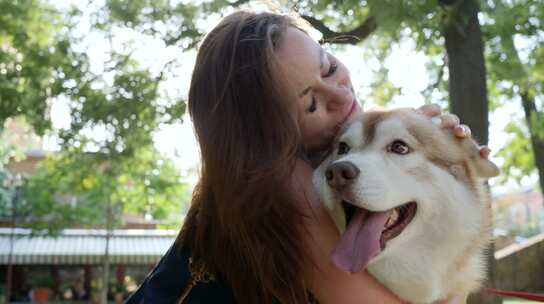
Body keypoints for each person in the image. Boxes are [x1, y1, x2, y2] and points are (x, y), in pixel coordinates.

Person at [127, 10, 487, 304]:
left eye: (329, 67)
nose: (340, 94)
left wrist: (430, 140)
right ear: (269, 135)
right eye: (311, 104)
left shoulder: (307, 167)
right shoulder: (287, 190)